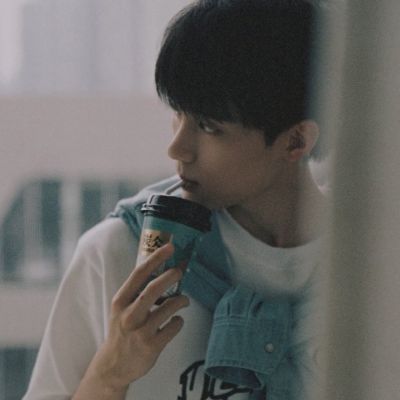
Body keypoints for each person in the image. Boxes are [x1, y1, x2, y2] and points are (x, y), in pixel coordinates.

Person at [23, 1, 330, 399]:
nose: (177, 148)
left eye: (209, 126)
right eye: (178, 115)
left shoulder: (374, 266)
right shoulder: (121, 253)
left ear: (296, 140)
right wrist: (109, 375)